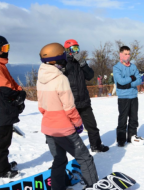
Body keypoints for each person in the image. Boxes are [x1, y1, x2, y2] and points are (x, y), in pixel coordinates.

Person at [37, 43, 99, 190]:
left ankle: (57, 187)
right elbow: (70, 108)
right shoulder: (60, 79)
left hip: (48, 127)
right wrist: (78, 124)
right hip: (63, 128)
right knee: (85, 158)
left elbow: (41, 106)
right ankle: (93, 186)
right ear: (60, 58)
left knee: (59, 160)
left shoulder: (40, 77)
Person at [0, 35, 26, 179]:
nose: (6, 51)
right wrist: (16, 95)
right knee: (1, 142)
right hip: (0, 110)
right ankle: (1, 171)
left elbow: (10, 82)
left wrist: (20, 91)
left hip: (3, 109)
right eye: (4, 48)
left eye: (7, 47)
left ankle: (4, 165)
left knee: (5, 140)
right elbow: (4, 86)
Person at [63, 39, 109, 152]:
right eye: (74, 49)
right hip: (71, 102)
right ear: (68, 50)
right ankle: (73, 149)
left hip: (84, 100)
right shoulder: (64, 63)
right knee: (71, 128)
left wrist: (83, 64)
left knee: (92, 125)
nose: (76, 51)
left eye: (77, 48)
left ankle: (96, 145)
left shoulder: (80, 63)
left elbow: (90, 76)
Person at [113, 46, 143, 147]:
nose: (128, 56)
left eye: (129, 54)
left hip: (133, 96)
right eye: (125, 54)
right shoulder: (116, 67)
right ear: (120, 54)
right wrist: (131, 78)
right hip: (123, 97)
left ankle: (132, 136)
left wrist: (128, 84)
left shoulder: (133, 67)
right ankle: (121, 139)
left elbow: (139, 80)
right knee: (123, 119)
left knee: (134, 118)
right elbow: (120, 82)